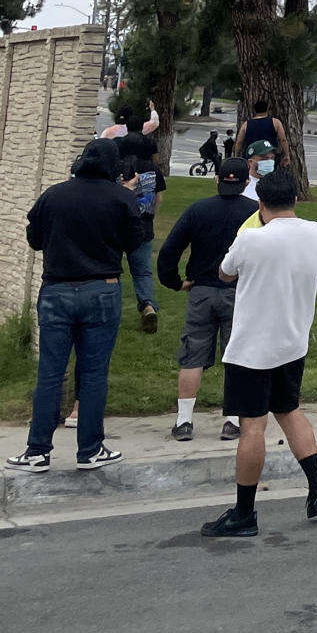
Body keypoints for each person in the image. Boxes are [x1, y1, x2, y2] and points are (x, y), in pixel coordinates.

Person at [200, 170, 317, 538]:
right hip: (293, 342)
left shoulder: (251, 239)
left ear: (260, 203)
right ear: (296, 199)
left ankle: (244, 513)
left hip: (252, 349)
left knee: (253, 426)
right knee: (289, 411)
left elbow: (225, 274)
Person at [6, 139, 143, 473]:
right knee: (93, 374)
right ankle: (90, 450)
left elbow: (35, 240)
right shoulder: (121, 198)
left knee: (50, 373)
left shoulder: (54, 195)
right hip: (102, 288)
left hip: (57, 290)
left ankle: (37, 450)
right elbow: (135, 241)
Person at [157, 158, 256, 441]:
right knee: (237, 356)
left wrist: (175, 282)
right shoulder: (254, 213)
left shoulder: (198, 209)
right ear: (246, 183)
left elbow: (170, 250)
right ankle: (233, 420)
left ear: (216, 179)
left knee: (193, 356)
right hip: (239, 292)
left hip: (201, 291)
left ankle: (184, 420)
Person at [115, 155, 162, 334]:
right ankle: (147, 305)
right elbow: (158, 198)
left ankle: (112, 309)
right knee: (142, 272)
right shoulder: (152, 169)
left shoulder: (115, 165)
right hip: (143, 227)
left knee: (112, 270)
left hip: (117, 227)